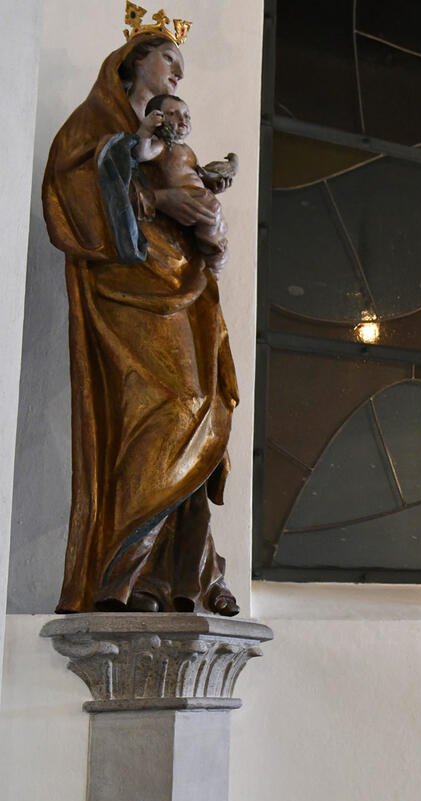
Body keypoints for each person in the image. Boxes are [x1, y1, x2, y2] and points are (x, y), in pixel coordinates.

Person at [42, 19, 239, 616]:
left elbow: (205, 214)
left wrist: (210, 225)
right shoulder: (93, 128)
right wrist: (157, 200)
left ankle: (179, 578)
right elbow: (73, 201)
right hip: (125, 294)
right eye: (167, 60)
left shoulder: (175, 142)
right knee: (162, 416)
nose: (178, 73)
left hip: (184, 287)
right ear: (130, 63)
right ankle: (119, 575)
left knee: (201, 417)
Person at [133, 93, 235, 275]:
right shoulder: (163, 146)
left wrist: (212, 183)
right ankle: (212, 263)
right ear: (157, 118)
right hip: (187, 196)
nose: (182, 119)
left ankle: (213, 261)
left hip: (197, 195)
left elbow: (194, 174)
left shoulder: (187, 150)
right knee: (213, 219)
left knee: (218, 224)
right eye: (172, 113)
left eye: (187, 115)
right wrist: (146, 129)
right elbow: (141, 153)